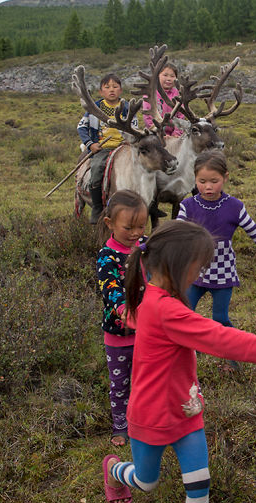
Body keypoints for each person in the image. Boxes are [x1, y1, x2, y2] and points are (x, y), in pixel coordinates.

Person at [101, 220, 256, 503]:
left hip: (186, 410)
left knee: (199, 483)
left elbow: (136, 316)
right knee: (146, 482)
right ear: (178, 266)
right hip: (151, 416)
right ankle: (113, 469)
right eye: (199, 264)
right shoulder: (166, 309)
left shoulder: (160, 299)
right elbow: (218, 338)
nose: (202, 271)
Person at [178, 150, 256, 369]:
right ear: (195, 178)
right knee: (184, 314)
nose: (208, 187)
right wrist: (148, 250)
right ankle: (181, 356)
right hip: (193, 271)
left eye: (214, 181)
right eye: (202, 181)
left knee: (221, 319)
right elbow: (174, 233)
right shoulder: (187, 206)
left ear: (226, 177)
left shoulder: (234, 207)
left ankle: (232, 360)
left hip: (223, 272)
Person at [96, 190, 148, 447]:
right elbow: (109, 287)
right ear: (110, 224)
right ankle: (120, 426)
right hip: (118, 333)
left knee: (145, 379)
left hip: (147, 330)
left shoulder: (147, 246)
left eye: (141, 226)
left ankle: (143, 420)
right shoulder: (108, 256)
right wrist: (123, 310)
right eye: (129, 227)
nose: (136, 233)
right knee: (119, 384)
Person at [77, 73, 135, 224]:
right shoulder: (94, 107)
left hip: (124, 147)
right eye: (107, 87)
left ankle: (147, 203)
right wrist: (91, 144)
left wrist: (130, 140)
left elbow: (134, 127)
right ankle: (97, 206)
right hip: (103, 148)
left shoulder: (127, 107)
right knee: (96, 170)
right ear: (101, 91)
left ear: (121, 90)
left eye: (115, 87)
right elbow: (81, 127)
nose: (111, 90)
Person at [142, 61, 185, 138]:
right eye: (165, 75)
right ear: (157, 76)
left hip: (174, 136)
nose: (168, 79)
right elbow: (147, 116)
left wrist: (175, 134)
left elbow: (181, 117)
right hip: (154, 133)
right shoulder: (150, 93)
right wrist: (159, 132)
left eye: (172, 76)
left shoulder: (178, 94)